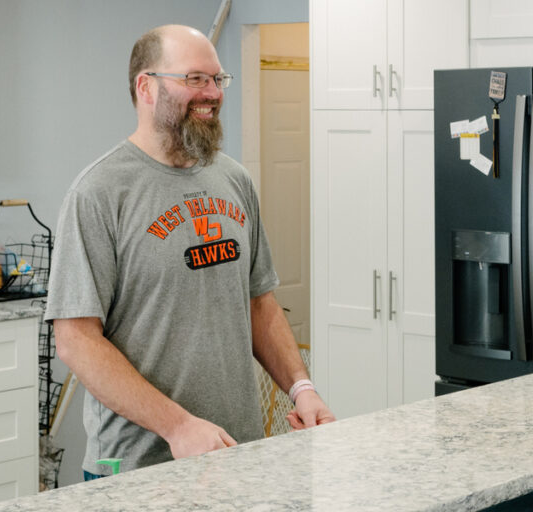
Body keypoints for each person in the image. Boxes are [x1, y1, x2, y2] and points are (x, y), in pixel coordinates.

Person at [45, 25, 335, 478]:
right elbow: (76, 340)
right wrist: (178, 427)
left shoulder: (234, 179)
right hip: (136, 467)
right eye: (195, 79)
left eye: (218, 80)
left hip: (236, 453)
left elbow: (259, 303)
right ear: (146, 86)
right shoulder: (99, 193)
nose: (213, 93)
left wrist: (302, 389)